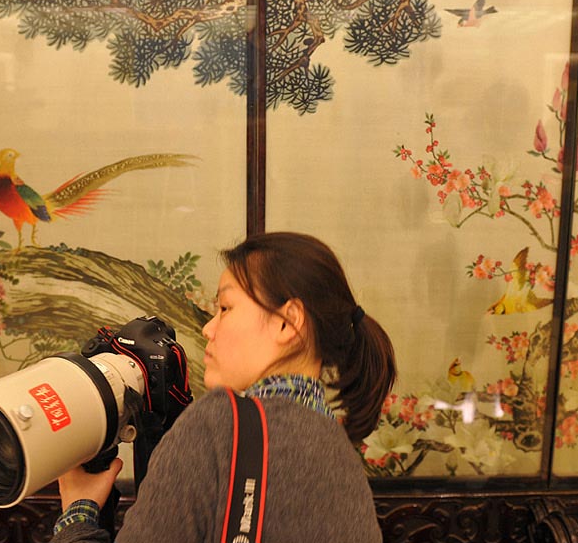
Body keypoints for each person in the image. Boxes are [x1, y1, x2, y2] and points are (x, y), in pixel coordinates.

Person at [51, 231, 397, 543]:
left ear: (286, 323)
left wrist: (78, 515)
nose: (208, 329)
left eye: (225, 307)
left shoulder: (219, 425)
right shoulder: (342, 456)